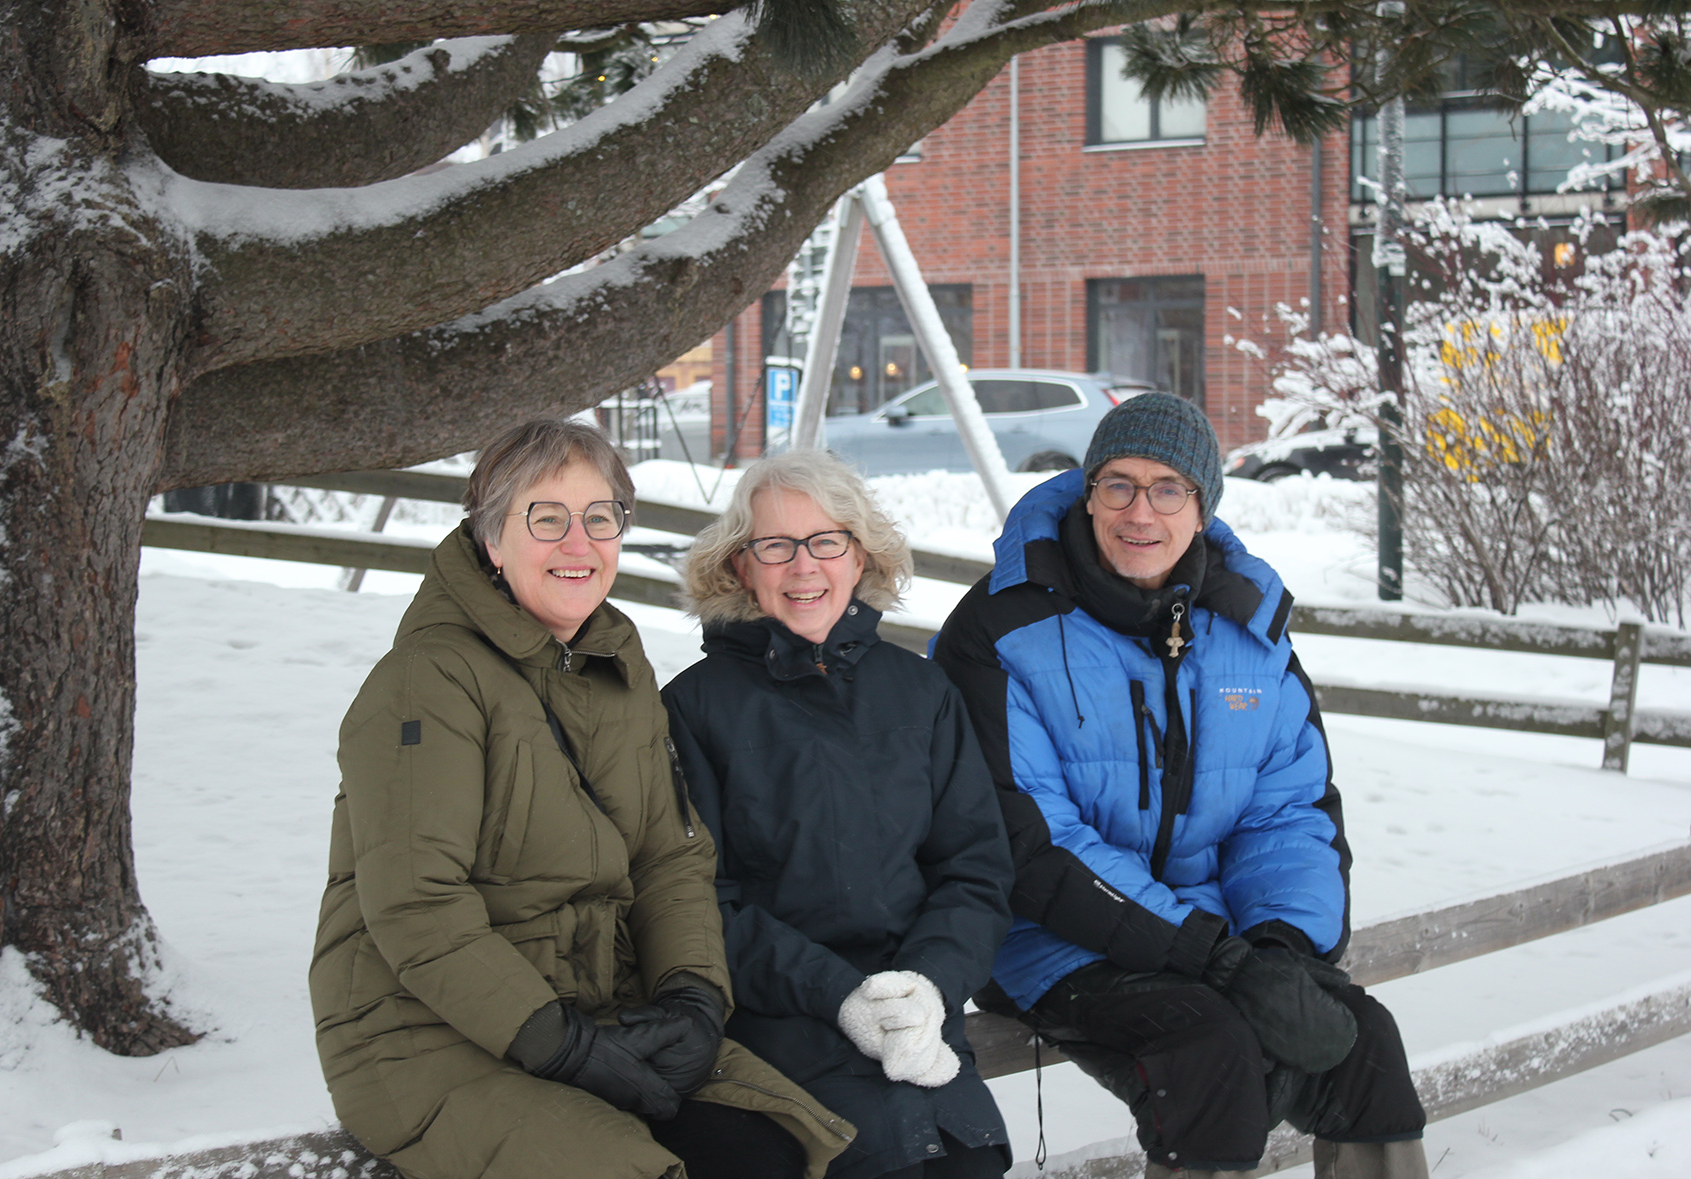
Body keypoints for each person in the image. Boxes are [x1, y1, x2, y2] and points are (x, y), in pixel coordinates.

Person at [310, 419, 854, 1179]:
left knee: (766, 1148)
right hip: (425, 1026)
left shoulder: (615, 666)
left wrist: (693, 997)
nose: (579, 542)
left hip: (598, 1004)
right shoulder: (428, 681)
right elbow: (416, 904)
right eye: (547, 517)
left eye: (600, 518)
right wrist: (554, 1040)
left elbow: (671, 858)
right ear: (492, 539)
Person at [932, 395, 1427, 1179]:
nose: (1140, 511)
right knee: (1209, 1051)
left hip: (1216, 932)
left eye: (1169, 488)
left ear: (1202, 506)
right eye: (1118, 485)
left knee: (1363, 1041)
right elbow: (1031, 841)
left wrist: (1282, 949)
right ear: (1088, 493)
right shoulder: (1001, 630)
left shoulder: (1248, 630)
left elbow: (1289, 810)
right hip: (1045, 930)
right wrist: (1216, 960)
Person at [661, 452, 1015, 1179]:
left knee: (966, 1162)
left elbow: (973, 868)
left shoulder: (922, 692)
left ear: (861, 557)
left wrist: (929, 985)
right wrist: (839, 994)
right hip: (782, 1020)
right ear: (739, 566)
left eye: (827, 541)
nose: (803, 566)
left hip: (919, 1013)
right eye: (775, 545)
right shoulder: (694, 708)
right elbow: (699, 904)